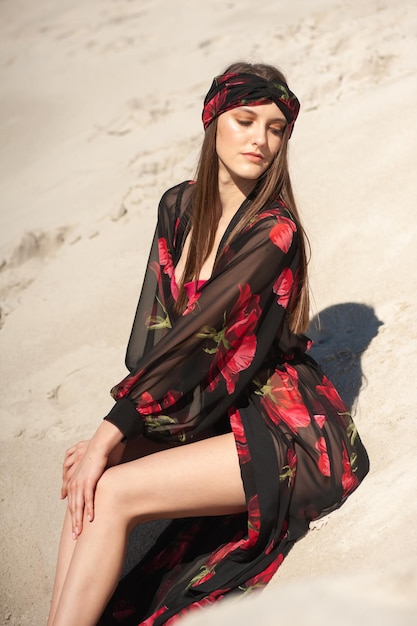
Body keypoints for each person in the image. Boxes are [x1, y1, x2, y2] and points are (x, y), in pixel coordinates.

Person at [47, 61, 370, 626]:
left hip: (285, 426)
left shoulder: (275, 231)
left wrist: (111, 432)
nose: (260, 140)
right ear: (213, 120)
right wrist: (118, 436)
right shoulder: (177, 207)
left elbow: (197, 343)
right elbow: (156, 339)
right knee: (90, 478)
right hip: (212, 411)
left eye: (275, 128)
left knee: (114, 487)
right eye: (245, 120)